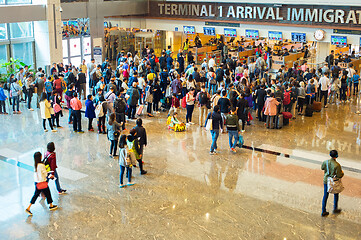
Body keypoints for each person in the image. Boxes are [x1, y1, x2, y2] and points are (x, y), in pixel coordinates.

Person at [321, 150, 344, 217]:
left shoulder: (326, 162)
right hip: (333, 182)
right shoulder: (337, 165)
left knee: (325, 195)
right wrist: (342, 172)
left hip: (326, 180)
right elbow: (339, 175)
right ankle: (335, 208)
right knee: (336, 194)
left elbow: (322, 168)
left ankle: (323, 210)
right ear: (336, 156)